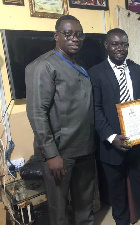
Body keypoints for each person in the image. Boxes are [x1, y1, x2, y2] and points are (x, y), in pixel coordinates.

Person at [25, 15, 95, 225]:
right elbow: (37, 113)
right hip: (60, 153)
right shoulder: (43, 66)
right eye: (68, 34)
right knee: (59, 209)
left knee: (85, 204)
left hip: (85, 148)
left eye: (79, 34)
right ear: (56, 36)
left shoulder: (79, 64)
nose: (75, 38)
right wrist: (51, 154)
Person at [88, 28, 140, 225]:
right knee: (116, 190)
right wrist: (111, 137)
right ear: (106, 46)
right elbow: (96, 109)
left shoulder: (138, 70)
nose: (120, 48)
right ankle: (122, 221)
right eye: (115, 44)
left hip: (139, 141)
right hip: (112, 144)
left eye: (124, 44)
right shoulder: (95, 73)